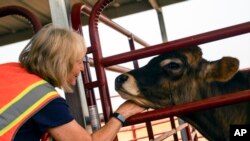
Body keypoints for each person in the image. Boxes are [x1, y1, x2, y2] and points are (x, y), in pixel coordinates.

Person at [0, 24, 145, 141]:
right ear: (61, 63)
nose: (82, 68)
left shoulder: (7, 70)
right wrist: (122, 114)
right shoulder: (44, 99)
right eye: (78, 61)